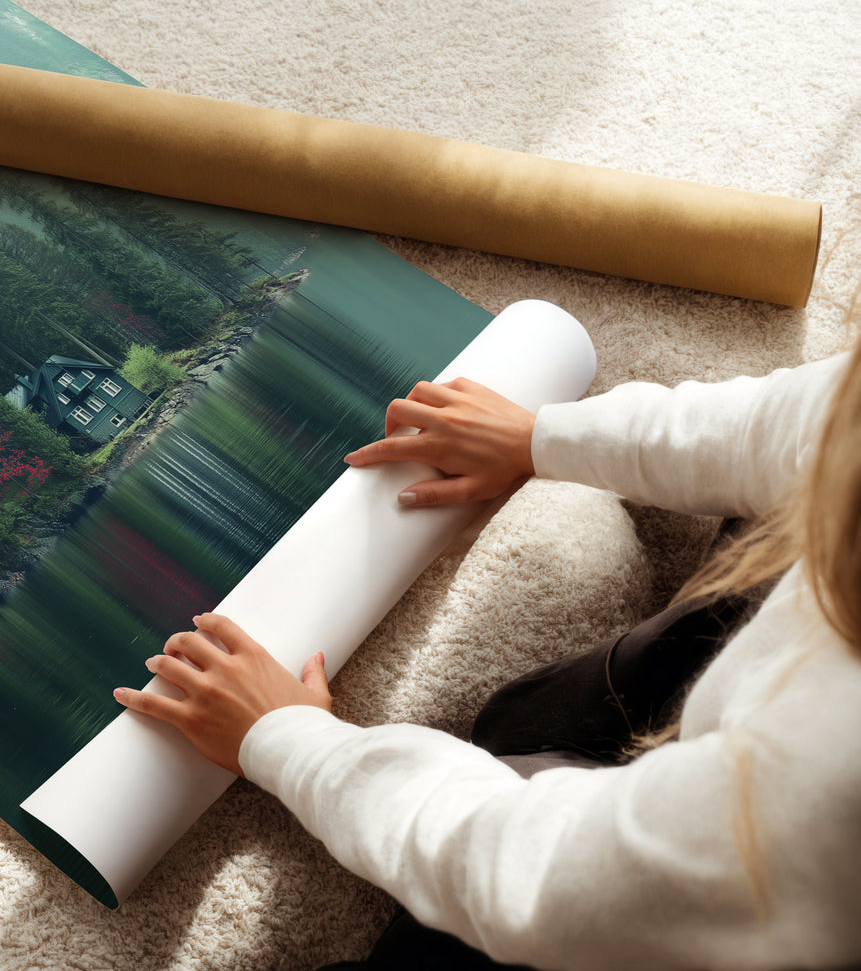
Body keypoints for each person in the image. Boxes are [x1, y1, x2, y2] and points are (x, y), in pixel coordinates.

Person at [113, 348, 861, 969]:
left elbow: (539, 877)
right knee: (530, 722)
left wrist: (288, 741)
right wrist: (540, 437)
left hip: (764, 899)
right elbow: (805, 421)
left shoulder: (825, 783)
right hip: (762, 764)